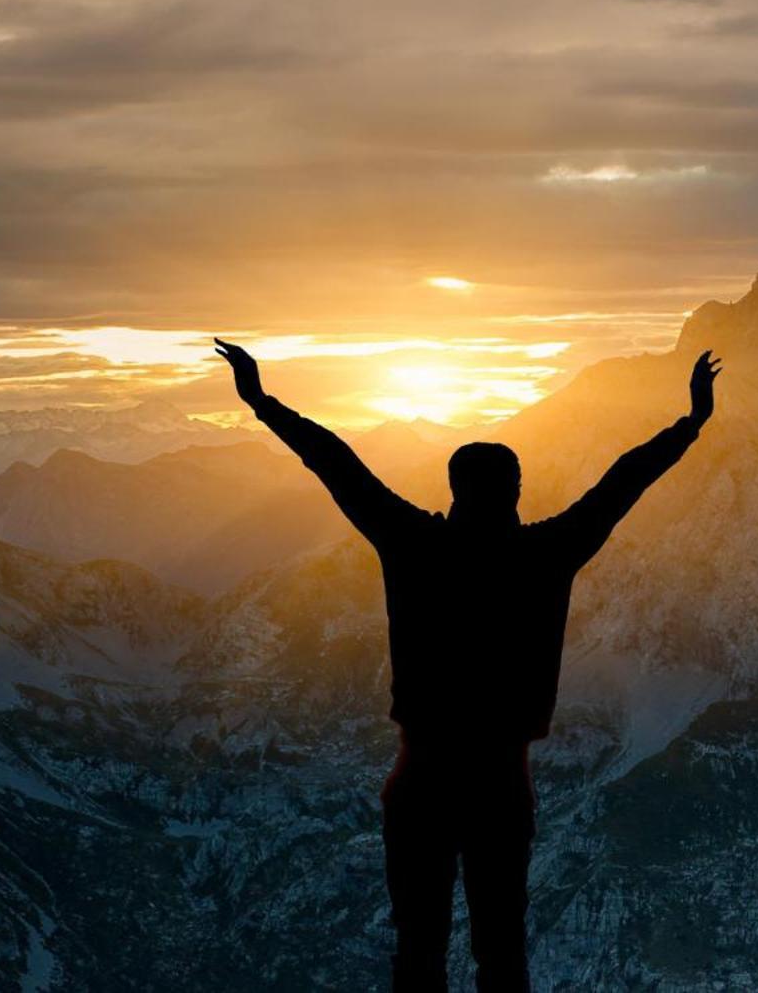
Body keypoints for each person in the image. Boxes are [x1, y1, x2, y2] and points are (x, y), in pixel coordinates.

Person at [213, 337, 719, 993]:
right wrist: (692, 423)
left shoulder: (413, 543)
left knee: (418, 950)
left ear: (454, 488)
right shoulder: (544, 554)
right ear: (516, 489)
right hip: (501, 785)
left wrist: (261, 402)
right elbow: (623, 482)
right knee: (502, 952)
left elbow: (336, 463)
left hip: (419, 777)